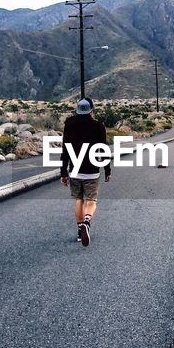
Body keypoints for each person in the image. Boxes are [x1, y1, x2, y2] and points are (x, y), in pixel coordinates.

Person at [60, 97, 111, 246]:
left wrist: (63, 172)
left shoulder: (69, 125)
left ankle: (79, 231)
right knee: (91, 200)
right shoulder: (98, 126)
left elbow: (65, 150)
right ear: (91, 110)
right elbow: (103, 150)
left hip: (75, 169)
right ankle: (87, 222)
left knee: (79, 200)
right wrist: (107, 170)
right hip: (92, 170)